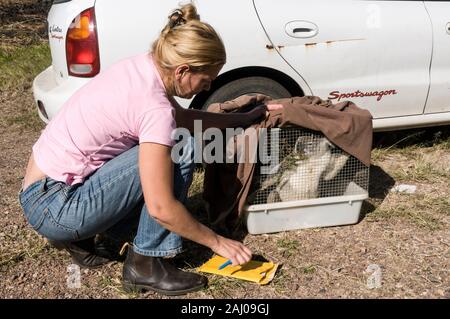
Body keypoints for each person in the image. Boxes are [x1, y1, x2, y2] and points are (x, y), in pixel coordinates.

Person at [19, 4, 274, 296]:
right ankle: (145, 263)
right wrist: (218, 242)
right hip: (57, 207)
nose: (207, 88)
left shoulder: (143, 67)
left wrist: (238, 120)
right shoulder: (154, 107)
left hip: (42, 190)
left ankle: (84, 239)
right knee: (182, 146)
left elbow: (181, 117)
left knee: (165, 141)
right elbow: (161, 208)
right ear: (183, 70)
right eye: (206, 80)